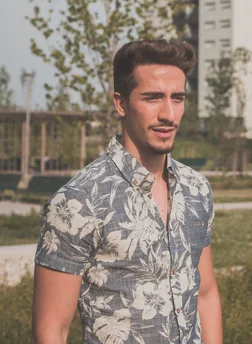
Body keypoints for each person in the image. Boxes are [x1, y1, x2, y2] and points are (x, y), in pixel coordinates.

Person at [31, 40, 223, 344]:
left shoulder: (197, 188)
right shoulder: (77, 202)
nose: (169, 114)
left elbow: (206, 294)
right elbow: (50, 332)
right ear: (121, 103)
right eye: (153, 98)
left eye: (178, 98)